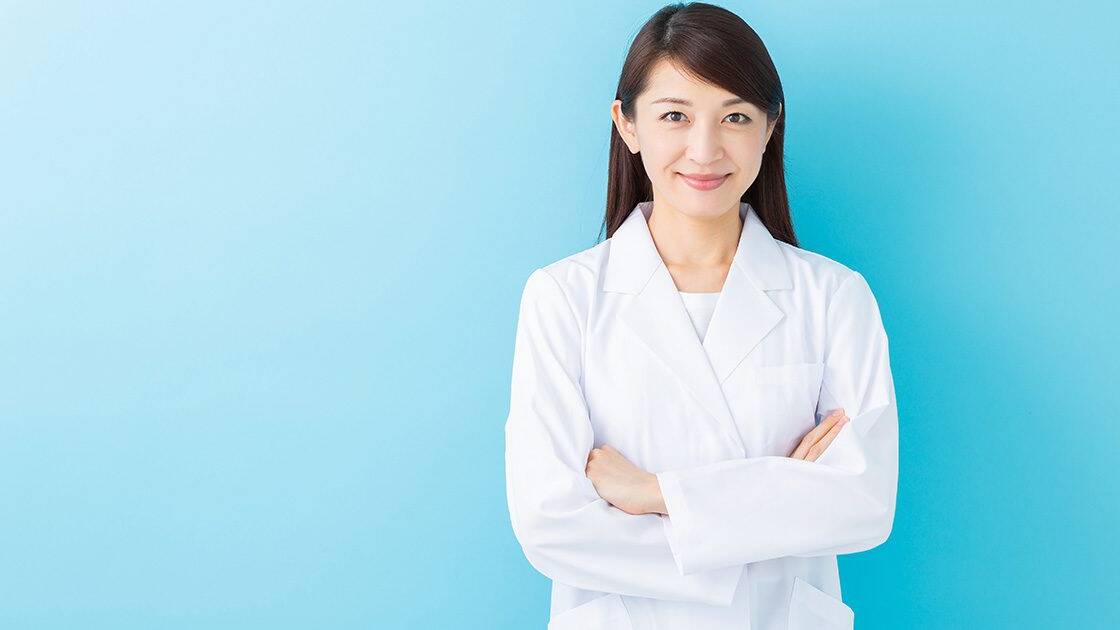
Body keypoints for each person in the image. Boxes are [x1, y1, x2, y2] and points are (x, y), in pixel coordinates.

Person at [503, 3, 898, 629]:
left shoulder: (833, 297)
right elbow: (551, 525)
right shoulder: (564, 297)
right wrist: (770, 502)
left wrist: (655, 494)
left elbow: (864, 503)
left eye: (735, 116)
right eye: (674, 117)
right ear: (627, 125)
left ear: (770, 129)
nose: (705, 149)